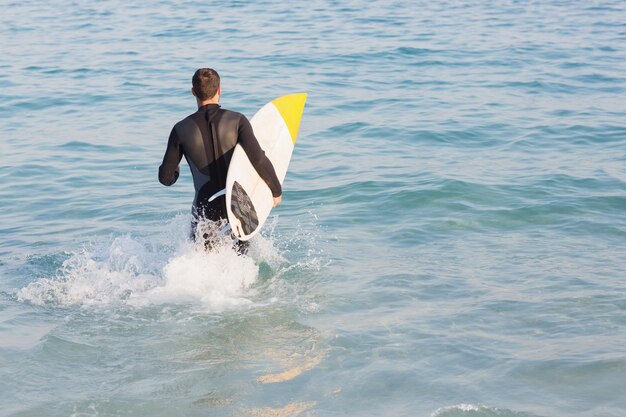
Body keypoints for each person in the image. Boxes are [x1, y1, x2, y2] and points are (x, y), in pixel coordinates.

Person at [159, 68, 282, 251]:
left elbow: (166, 178)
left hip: (203, 211)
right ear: (219, 90)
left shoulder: (181, 129)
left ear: (193, 92)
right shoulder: (238, 121)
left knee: (204, 264)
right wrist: (275, 191)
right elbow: (259, 160)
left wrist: (175, 171)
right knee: (239, 264)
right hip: (237, 207)